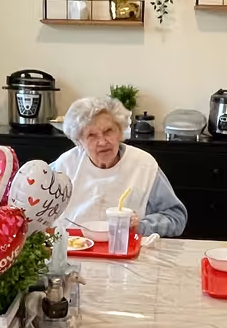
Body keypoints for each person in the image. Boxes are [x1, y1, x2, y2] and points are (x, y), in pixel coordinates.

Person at [51, 96, 189, 238]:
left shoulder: (144, 165)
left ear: (120, 131)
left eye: (108, 131)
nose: (103, 142)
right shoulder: (65, 165)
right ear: (79, 141)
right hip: (73, 249)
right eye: (91, 135)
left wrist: (141, 226)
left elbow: (176, 217)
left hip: (125, 252)